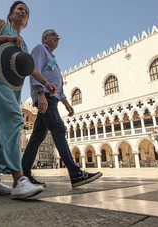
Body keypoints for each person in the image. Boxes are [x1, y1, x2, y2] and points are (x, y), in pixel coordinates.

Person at [0, 1, 57, 199]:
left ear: (27, 22)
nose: (23, 12)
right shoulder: (1, 25)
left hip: (15, 87)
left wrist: (46, 83)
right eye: (20, 9)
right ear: (10, 14)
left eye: (27, 12)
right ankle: (19, 180)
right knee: (14, 119)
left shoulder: (24, 43)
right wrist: (6, 37)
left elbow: (31, 68)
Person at [21, 29, 102, 188]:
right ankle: (75, 173)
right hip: (45, 97)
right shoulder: (40, 49)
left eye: (58, 35)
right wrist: (40, 93)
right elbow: (33, 69)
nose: (57, 37)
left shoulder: (53, 60)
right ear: (45, 38)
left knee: (37, 136)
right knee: (58, 129)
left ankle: (24, 175)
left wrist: (66, 103)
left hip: (52, 99)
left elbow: (58, 86)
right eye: (53, 34)